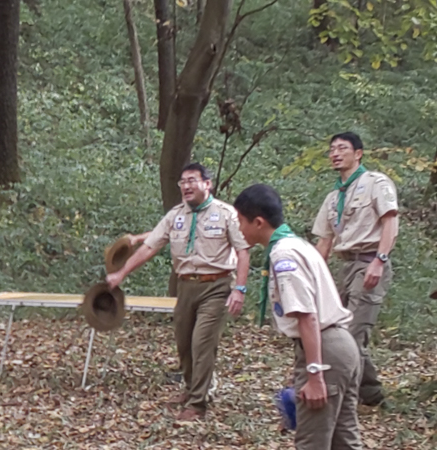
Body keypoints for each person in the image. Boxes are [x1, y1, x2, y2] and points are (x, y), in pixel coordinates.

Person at [106, 162, 250, 421]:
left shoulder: (226, 213)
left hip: (216, 286)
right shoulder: (175, 216)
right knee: (184, 343)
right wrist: (121, 274)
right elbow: (150, 247)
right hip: (185, 286)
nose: (186, 186)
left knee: (202, 342)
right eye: (182, 182)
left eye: (192, 180)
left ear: (207, 184)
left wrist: (239, 289)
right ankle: (191, 388)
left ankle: (198, 404)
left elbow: (243, 251)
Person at [234, 183, 362, 450]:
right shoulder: (298, 244)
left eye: (240, 221)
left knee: (312, 441)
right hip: (340, 346)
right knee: (344, 440)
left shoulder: (284, 255)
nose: (238, 228)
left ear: (258, 222)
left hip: (326, 349)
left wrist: (314, 374)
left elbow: (306, 316)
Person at [312, 132, 398, 407]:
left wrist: (379, 261)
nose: (335, 153)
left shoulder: (375, 183)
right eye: (332, 149)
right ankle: (371, 393)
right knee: (336, 332)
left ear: (358, 153)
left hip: (370, 261)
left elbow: (390, 222)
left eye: (342, 148)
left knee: (352, 335)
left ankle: (347, 400)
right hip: (345, 265)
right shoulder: (333, 197)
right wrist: (309, 276)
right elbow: (324, 242)